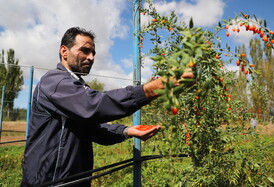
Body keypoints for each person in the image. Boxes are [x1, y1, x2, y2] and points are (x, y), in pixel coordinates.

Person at [21, 27, 194, 187]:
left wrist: (127, 131)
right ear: (64, 51)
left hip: (70, 180)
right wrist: (157, 87)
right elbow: (93, 105)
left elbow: (92, 129)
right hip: (49, 181)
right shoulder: (55, 81)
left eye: (93, 53)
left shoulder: (77, 86)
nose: (91, 57)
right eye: (85, 50)